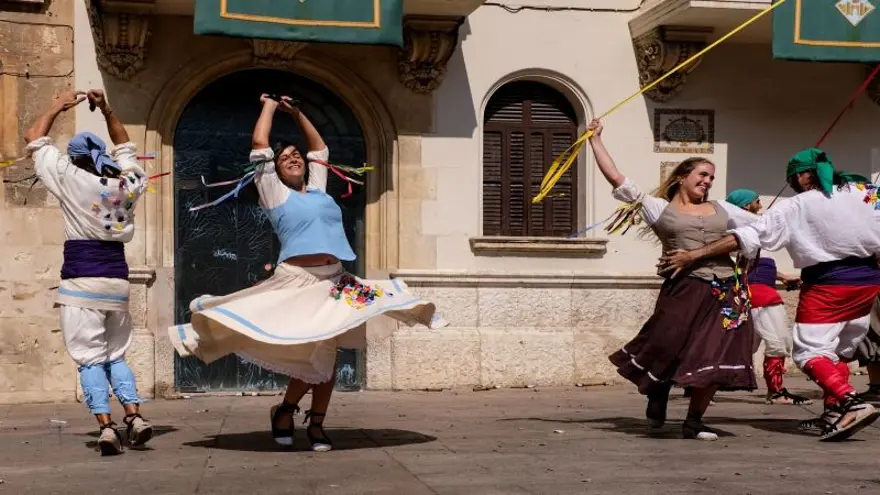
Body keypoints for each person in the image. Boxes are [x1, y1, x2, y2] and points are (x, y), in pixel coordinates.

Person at [169, 94, 446, 452]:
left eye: (295, 155)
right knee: (311, 359)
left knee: (327, 357)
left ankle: (310, 421)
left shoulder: (317, 189)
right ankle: (288, 412)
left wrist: (298, 112)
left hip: (335, 281)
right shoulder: (274, 194)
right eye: (285, 159)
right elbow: (259, 145)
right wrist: (268, 105)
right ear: (277, 170)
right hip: (296, 283)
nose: (294, 158)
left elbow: (320, 150)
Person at [660, 148, 880, 442]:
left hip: (829, 286)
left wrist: (692, 255)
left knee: (810, 352)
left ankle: (852, 403)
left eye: (792, 179)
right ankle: (833, 414)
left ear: (803, 176)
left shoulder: (796, 205)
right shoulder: (865, 191)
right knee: (837, 349)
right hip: (868, 283)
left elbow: (744, 237)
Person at [587, 119, 758, 441]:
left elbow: (763, 227)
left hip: (725, 292)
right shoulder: (658, 209)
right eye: (702, 175)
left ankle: (694, 421)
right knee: (667, 345)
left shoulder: (723, 209)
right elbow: (618, 179)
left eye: (711, 178)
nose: (707, 182)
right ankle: (658, 388)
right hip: (683, 289)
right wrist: (594, 140)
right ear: (682, 177)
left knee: (715, 354)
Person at [23, 89, 152, 455]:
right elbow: (125, 145)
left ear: (76, 158)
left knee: (90, 357)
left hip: (82, 281)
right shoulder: (126, 184)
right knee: (116, 355)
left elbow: (34, 137)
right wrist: (107, 109)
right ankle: (135, 417)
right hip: (116, 281)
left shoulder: (68, 176)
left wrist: (58, 104)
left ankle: (107, 427)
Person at [725, 189, 811, 405]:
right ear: (745, 207)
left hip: (764, 293)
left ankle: (703, 383)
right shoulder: (741, 234)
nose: (760, 206)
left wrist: (782, 277)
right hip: (760, 297)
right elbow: (742, 266)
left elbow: (761, 265)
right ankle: (776, 391)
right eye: (756, 202)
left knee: (747, 345)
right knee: (777, 342)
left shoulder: (755, 233)